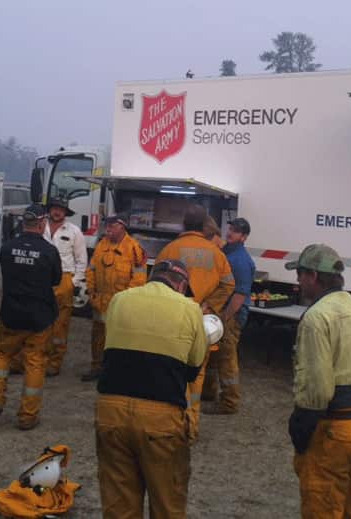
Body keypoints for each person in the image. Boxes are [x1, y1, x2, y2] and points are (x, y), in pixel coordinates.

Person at [95, 259, 207, 519]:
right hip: (160, 417)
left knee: (118, 503)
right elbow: (192, 368)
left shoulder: (120, 300)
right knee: (168, 501)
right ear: (181, 284)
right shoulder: (190, 309)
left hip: (111, 410)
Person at [285, 244, 351, 519]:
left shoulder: (316, 318)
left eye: (300, 275)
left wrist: (300, 427)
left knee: (322, 505)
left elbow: (317, 388)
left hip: (334, 430)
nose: (298, 281)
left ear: (313, 276)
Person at [156, 205, 235, 439]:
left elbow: (156, 283)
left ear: (183, 225)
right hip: (201, 324)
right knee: (196, 376)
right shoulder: (217, 253)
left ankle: (171, 425)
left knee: (172, 372)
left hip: (174, 322)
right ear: (204, 226)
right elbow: (228, 284)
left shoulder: (170, 249)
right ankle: (190, 429)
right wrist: (207, 306)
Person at [0, 204, 62, 430]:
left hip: (11, 314)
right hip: (39, 317)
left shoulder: (7, 248)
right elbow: (56, 280)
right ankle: (28, 416)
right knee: (35, 363)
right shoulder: (49, 251)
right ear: (42, 223)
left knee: (1, 354)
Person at [81, 214, 147, 382]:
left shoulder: (134, 248)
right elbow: (91, 270)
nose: (108, 229)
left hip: (121, 305)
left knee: (119, 338)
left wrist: (126, 302)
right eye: (107, 226)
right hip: (100, 301)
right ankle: (96, 366)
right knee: (97, 337)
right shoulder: (101, 245)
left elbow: (139, 279)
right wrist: (91, 292)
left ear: (122, 227)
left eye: (112, 226)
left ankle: (115, 370)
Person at [203, 217, 255, 415]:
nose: (230, 232)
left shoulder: (240, 260)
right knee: (213, 353)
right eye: (230, 228)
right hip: (219, 314)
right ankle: (208, 393)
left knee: (226, 357)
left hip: (230, 316)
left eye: (236, 231)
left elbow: (240, 296)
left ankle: (229, 402)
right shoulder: (226, 253)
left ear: (244, 237)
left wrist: (224, 318)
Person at [39, 197, 87, 376]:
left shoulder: (75, 232)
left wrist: (73, 283)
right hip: (41, 278)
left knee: (60, 325)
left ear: (66, 212)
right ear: (49, 210)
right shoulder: (39, 227)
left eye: (61, 209)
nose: (57, 212)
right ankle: (38, 359)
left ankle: (54, 363)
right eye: (54, 208)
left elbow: (82, 260)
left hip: (64, 279)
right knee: (40, 321)